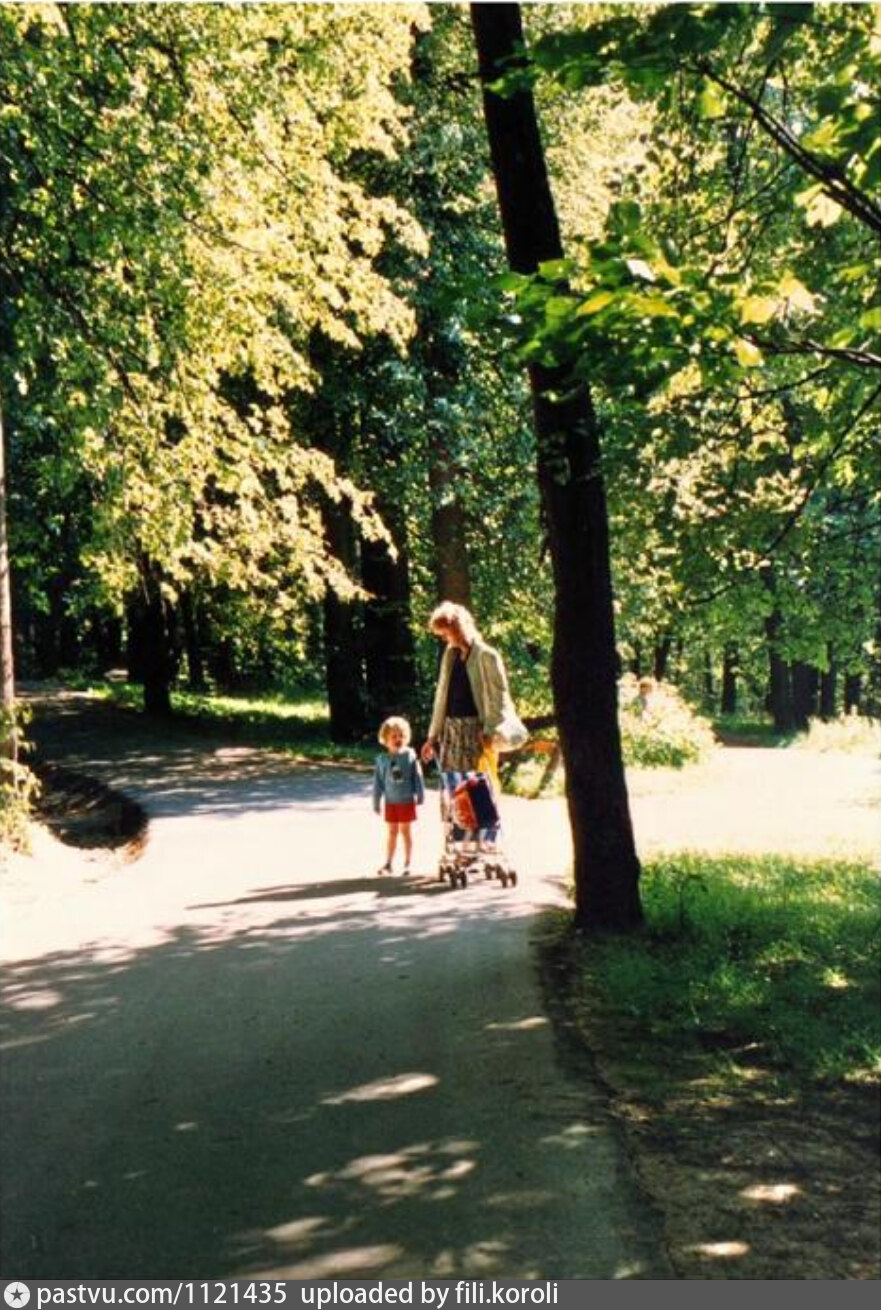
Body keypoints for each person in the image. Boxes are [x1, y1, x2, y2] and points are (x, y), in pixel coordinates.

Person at [420, 601, 527, 790]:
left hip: (476, 733)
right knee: (453, 795)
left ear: (457, 628)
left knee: (478, 794)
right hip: (450, 731)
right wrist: (432, 737)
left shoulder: (487, 656)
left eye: (445, 633)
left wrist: (490, 732)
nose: (444, 638)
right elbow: (441, 697)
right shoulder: (450, 655)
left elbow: (498, 699)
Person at [372, 715, 425, 876]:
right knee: (392, 832)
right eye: (394, 736)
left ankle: (408, 863)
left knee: (405, 832)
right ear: (385, 739)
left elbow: (417, 776)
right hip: (391, 802)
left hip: (406, 800)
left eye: (401, 736)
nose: (398, 739)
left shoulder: (410, 756)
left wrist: (420, 794)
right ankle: (388, 863)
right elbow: (378, 783)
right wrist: (376, 801)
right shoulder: (382, 760)